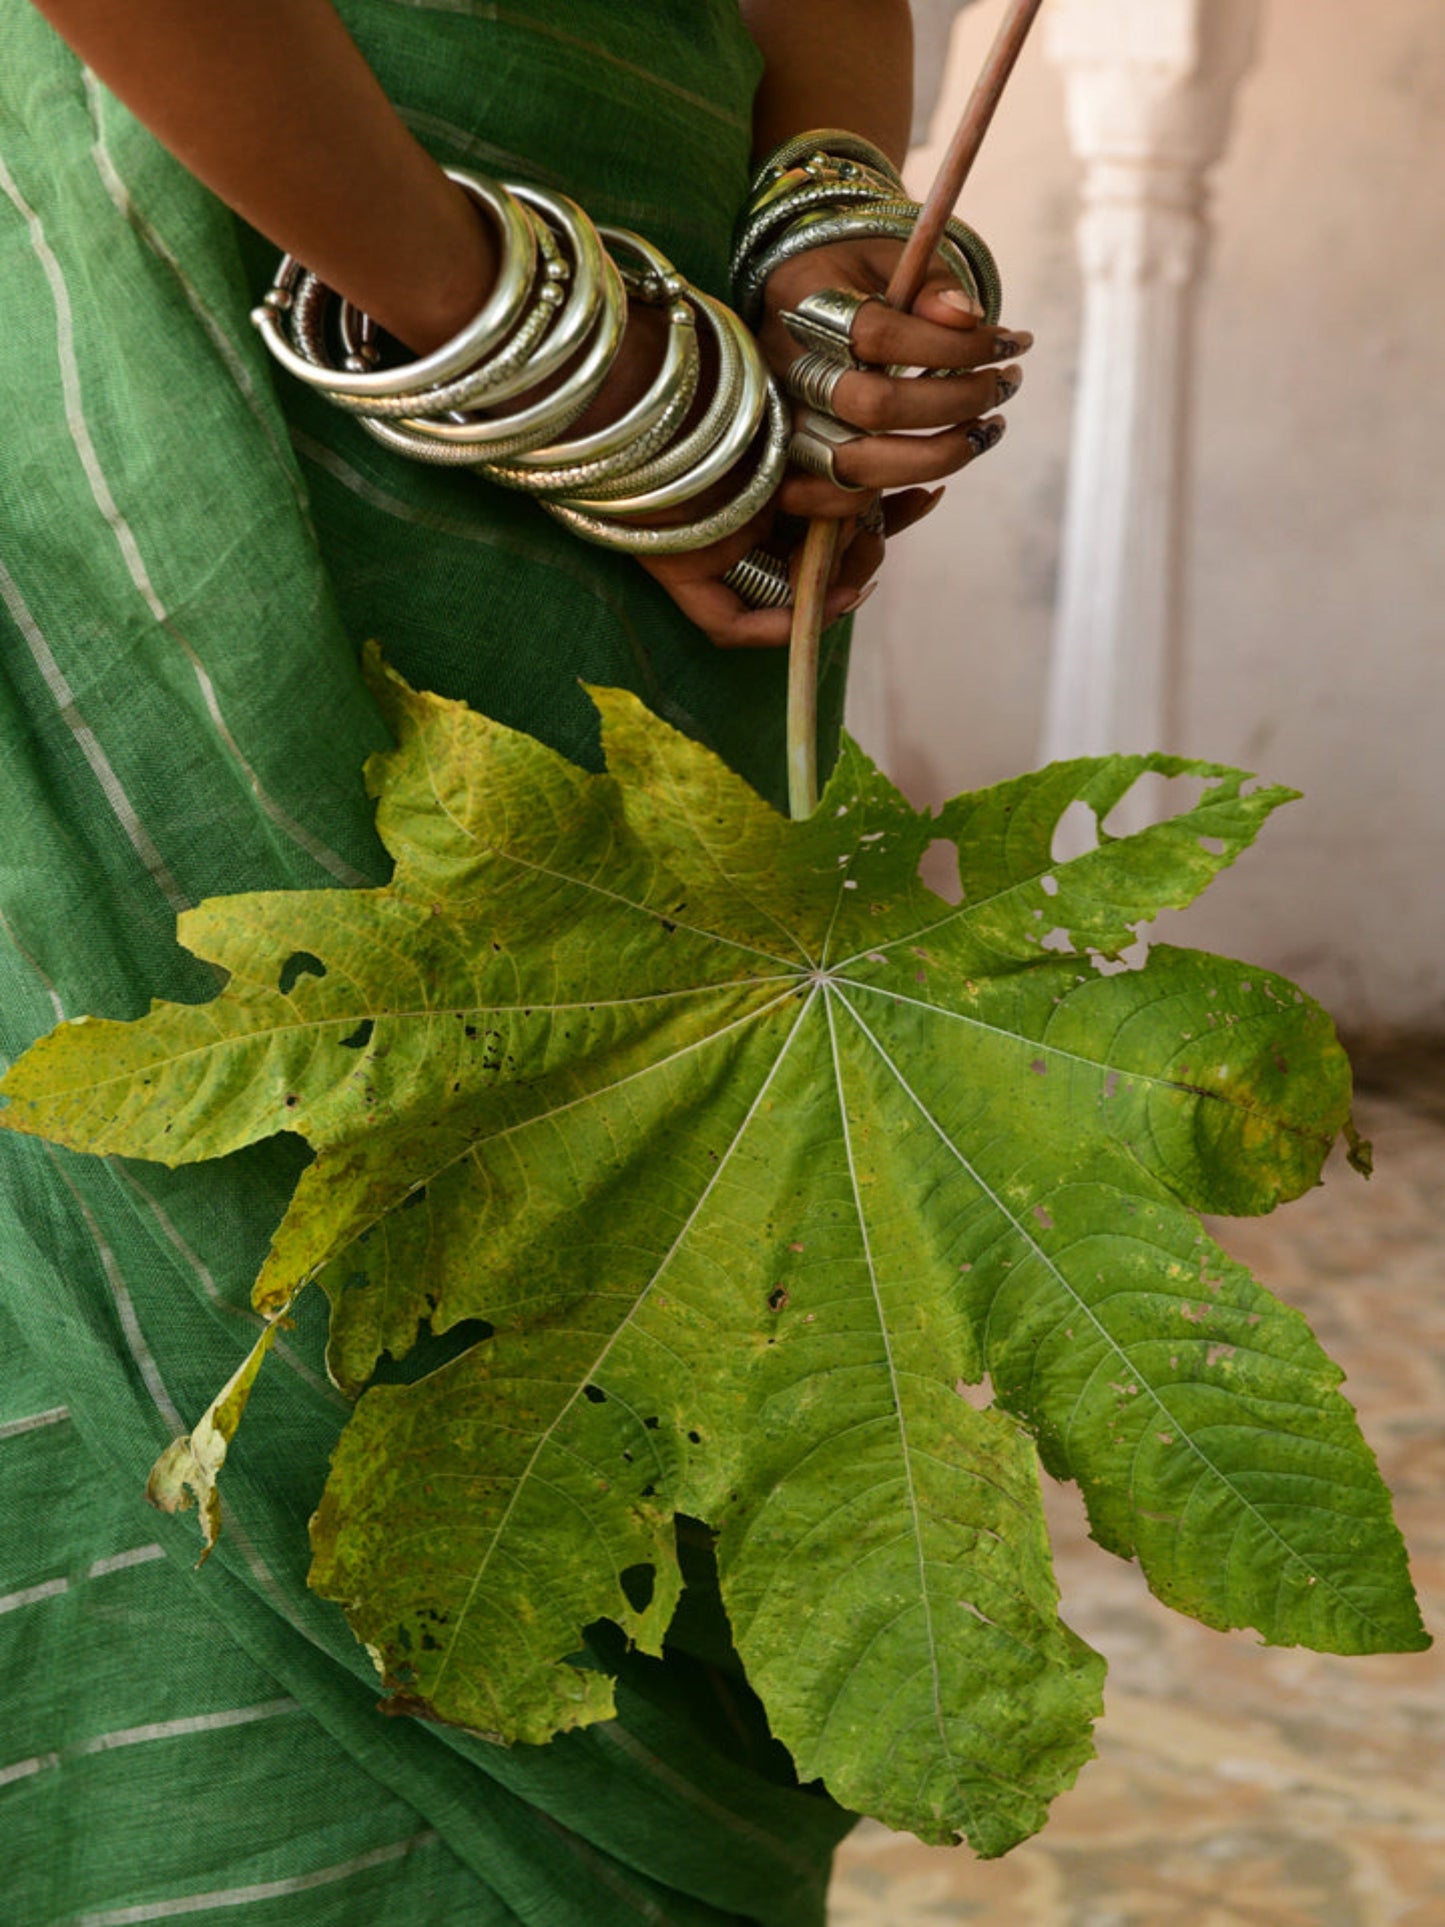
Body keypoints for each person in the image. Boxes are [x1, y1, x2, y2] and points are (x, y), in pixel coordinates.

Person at [0, 3, 1030, 1919]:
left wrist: (822, 219)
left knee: (608, 1367)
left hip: (652, 504)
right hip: (220, 362)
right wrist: (525, 341)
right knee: (200, 1251)